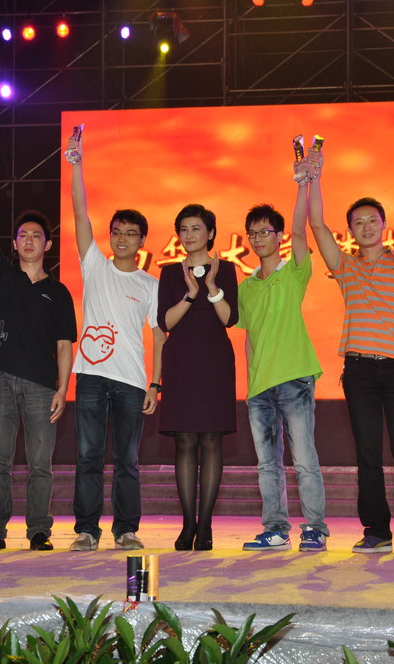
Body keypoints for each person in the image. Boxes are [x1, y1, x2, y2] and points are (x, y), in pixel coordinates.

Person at [306, 148, 394, 556]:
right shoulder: (346, 267)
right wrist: (314, 176)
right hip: (359, 370)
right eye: (357, 222)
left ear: (383, 225)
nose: (365, 227)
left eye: (372, 220)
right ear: (350, 231)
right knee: (367, 454)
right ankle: (376, 530)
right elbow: (316, 224)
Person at [0, 157, 77, 552]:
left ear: (48, 244)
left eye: (36, 236)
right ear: (14, 244)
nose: (29, 240)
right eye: (22, 236)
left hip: (41, 386)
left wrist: (62, 388)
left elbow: (64, 344)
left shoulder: (58, 292)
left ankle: (39, 531)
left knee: (40, 465)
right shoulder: (2, 276)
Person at [66, 131, 164, 552]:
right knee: (88, 457)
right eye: (117, 231)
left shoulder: (150, 284)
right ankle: (87, 530)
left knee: (128, 461)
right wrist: (76, 165)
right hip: (90, 376)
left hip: (131, 381)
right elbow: (79, 211)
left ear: (142, 241)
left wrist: (155, 383)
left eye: (131, 233)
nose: (122, 238)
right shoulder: (95, 266)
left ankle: (125, 529)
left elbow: (159, 335)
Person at [236, 165, 329, 552]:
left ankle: (315, 528)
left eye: (265, 232)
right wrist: (249, 385)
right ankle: (275, 528)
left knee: (304, 459)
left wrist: (302, 186)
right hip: (260, 389)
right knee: (267, 464)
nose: (259, 238)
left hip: (294, 379)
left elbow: (301, 232)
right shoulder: (245, 287)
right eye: (253, 233)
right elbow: (250, 339)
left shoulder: (294, 272)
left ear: (278, 237)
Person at [156, 204, 238, 551]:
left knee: (212, 441)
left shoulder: (227, 269)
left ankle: (205, 524)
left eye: (196, 228)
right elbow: (166, 322)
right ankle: (188, 523)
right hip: (181, 363)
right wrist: (191, 293)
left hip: (215, 362)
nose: (189, 235)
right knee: (185, 441)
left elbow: (229, 319)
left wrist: (211, 286)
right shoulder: (169, 273)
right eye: (184, 229)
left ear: (211, 233)